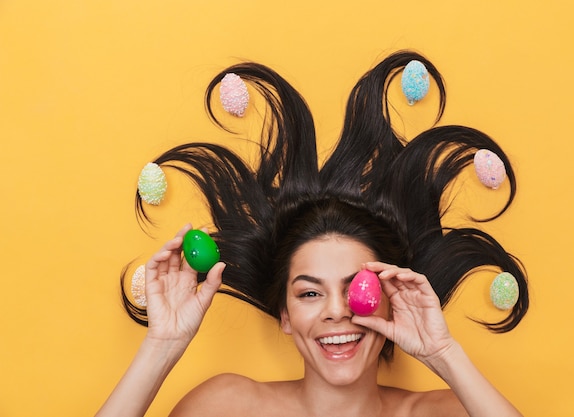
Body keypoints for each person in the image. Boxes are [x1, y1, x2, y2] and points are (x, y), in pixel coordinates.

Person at [96, 50, 528, 416]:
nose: (337, 311)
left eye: (357, 286)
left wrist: (443, 354)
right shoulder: (229, 406)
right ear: (285, 315)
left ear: (392, 305)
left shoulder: (445, 411)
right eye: (309, 293)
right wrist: (162, 347)